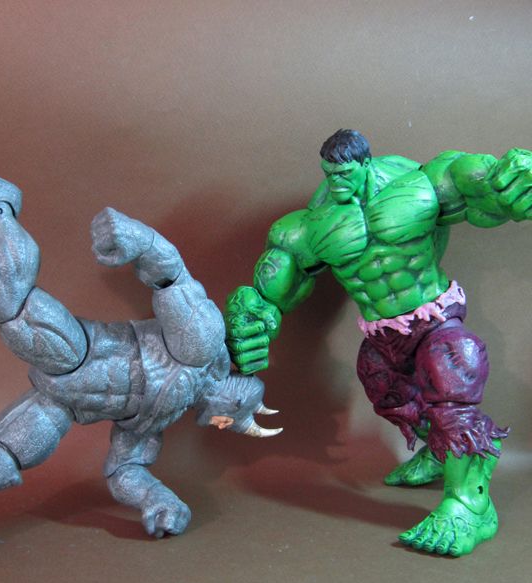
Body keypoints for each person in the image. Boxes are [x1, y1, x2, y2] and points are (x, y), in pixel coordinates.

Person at [0, 162, 280, 581]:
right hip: (84, 354)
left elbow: (123, 471)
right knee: (16, 313)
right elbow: (175, 283)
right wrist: (146, 242)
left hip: (59, 405)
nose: (222, 425)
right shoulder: (201, 350)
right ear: (234, 395)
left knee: (2, 459)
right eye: (232, 417)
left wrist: (157, 499)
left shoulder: (157, 420)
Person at [225, 129, 532, 556]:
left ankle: (470, 504)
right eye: (329, 174)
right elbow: (275, 289)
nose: (336, 182)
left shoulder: (419, 185)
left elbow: (478, 186)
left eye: (345, 173)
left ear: (365, 164)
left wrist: (510, 181)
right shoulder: (311, 225)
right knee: (386, 392)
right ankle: (441, 453)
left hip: (434, 317)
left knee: (452, 371)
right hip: (382, 333)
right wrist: (250, 314)